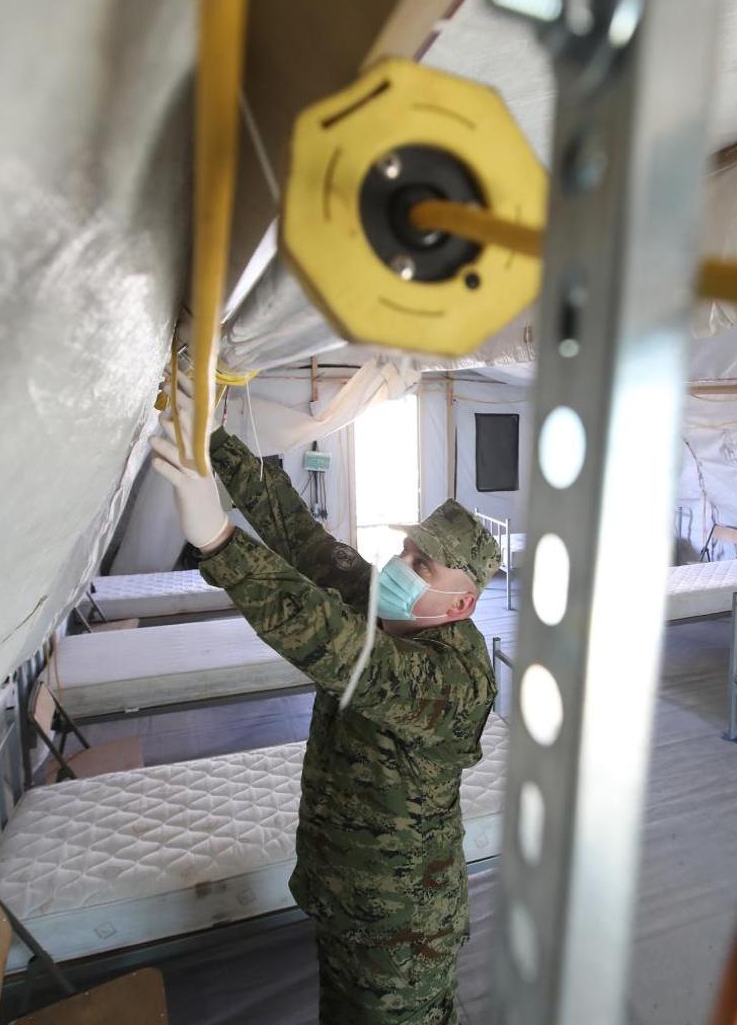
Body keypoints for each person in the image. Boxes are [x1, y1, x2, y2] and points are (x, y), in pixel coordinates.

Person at [150, 384, 502, 1024]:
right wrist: (214, 444)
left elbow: (330, 642)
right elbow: (300, 535)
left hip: (400, 930)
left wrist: (221, 543)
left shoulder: (452, 680)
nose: (401, 566)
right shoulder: (389, 607)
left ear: (461, 605)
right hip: (344, 896)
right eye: (409, 551)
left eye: (424, 567)